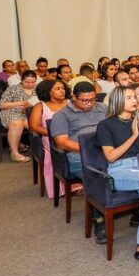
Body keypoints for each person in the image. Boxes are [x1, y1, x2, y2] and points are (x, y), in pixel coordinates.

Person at [96, 87, 139, 254]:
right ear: (118, 101)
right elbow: (111, 157)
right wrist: (134, 135)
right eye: (129, 97)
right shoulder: (105, 125)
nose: (134, 100)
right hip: (119, 169)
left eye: (134, 97)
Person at [50, 82, 107, 237]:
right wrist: (90, 148)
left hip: (106, 150)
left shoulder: (103, 108)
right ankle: (98, 218)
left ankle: (134, 210)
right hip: (79, 155)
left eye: (92, 99)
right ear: (74, 97)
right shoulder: (62, 115)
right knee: (96, 176)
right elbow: (62, 142)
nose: (89, 104)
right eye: (84, 100)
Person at [28, 79, 70, 199]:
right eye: (58, 89)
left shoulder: (70, 103)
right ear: (48, 91)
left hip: (71, 136)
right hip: (50, 138)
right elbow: (34, 126)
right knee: (58, 148)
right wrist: (55, 134)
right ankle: (62, 187)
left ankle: (79, 183)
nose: (62, 91)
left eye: (63, 88)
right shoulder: (40, 106)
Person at [0, 70, 37, 163]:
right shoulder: (13, 88)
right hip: (12, 111)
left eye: (33, 82)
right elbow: (2, 105)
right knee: (17, 123)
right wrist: (23, 103)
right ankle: (15, 153)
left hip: (31, 113)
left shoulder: (38, 89)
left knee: (36, 124)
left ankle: (42, 150)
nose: (30, 84)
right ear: (21, 80)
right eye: (27, 82)